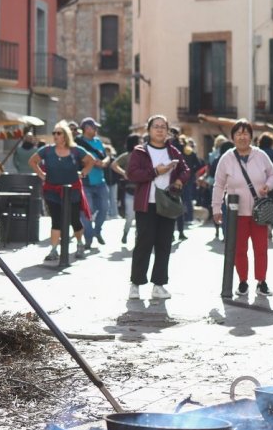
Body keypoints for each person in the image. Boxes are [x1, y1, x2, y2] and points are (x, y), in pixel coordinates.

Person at [126, 115, 190, 300]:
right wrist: (155, 172)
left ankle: (158, 285)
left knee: (164, 245)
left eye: (163, 127)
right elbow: (132, 174)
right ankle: (135, 285)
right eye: (156, 126)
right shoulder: (140, 151)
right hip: (146, 205)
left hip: (167, 205)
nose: (160, 129)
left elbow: (186, 170)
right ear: (149, 130)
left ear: (168, 131)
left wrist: (179, 180)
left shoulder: (173, 151)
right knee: (143, 244)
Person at [213, 120, 273, 296]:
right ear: (232, 137)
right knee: (239, 249)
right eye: (238, 133)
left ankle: (261, 281)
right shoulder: (226, 158)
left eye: (246, 133)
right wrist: (216, 208)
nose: (242, 137)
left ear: (251, 136)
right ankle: (243, 281)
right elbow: (218, 185)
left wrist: (268, 186)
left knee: (261, 248)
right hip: (236, 213)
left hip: (259, 212)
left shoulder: (261, 155)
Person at [30, 123, 92, 263]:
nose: (55, 136)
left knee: (74, 219)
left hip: (73, 190)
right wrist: (42, 175)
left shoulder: (76, 150)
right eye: (54, 133)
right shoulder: (47, 150)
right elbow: (33, 161)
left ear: (65, 136)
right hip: (52, 190)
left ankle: (80, 244)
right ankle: (53, 250)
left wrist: (83, 173)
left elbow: (91, 161)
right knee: (56, 220)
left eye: (58, 133)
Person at [74, 117, 112, 250]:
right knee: (86, 211)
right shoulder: (78, 142)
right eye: (93, 127)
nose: (96, 129)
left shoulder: (98, 142)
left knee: (104, 208)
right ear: (86, 128)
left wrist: (105, 162)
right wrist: (91, 162)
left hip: (100, 181)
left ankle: (97, 231)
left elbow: (105, 156)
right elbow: (76, 158)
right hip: (85, 181)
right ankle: (88, 238)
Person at [111, 134, 141, 245]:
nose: (142, 143)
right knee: (130, 216)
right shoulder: (128, 156)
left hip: (142, 192)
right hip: (130, 191)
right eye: (140, 141)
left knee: (140, 218)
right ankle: (125, 233)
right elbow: (114, 164)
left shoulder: (145, 156)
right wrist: (124, 173)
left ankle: (138, 238)